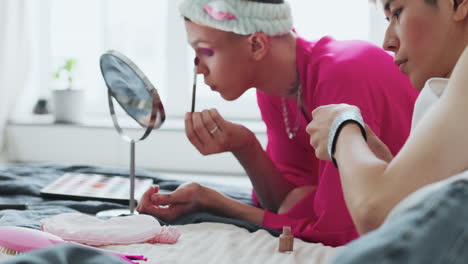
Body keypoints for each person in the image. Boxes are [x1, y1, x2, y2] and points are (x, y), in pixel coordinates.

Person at [137, 0, 418, 247]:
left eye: (206, 51)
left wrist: (217, 203)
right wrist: (245, 145)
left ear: (257, 44)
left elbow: (338, 231)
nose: (198, 67)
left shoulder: (343, 73)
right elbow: (286, 204)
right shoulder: (275, 91)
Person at [307, 0, 468, 260]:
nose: (387, 42)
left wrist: (342, 127)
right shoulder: (441, 92)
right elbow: (404, 220)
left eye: (397, 13)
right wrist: (382, 164)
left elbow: (374, 212)